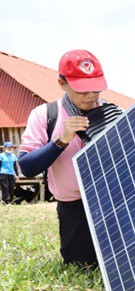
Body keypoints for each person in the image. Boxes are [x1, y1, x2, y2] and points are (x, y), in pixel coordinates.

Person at [18, 49, 109, 265]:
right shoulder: (45, 115)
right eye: (82, 90)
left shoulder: (112, 114)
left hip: (111, 201)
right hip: (73, 206)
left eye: (95, 89)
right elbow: (26, 167)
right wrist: (61, 140)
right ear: (62, 83)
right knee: (81, 264)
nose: (90, 96)